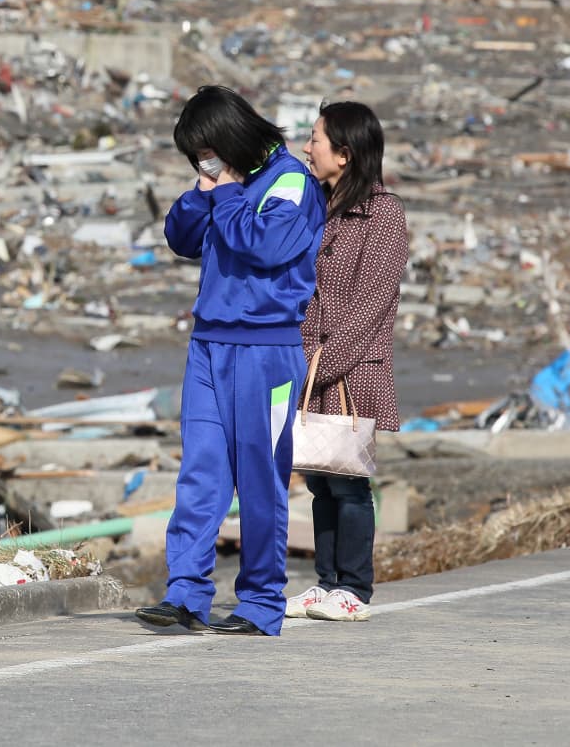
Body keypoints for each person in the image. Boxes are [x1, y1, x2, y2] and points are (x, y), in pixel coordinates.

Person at [136, 86, 326, 636]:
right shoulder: (224, 185)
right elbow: (181, 237)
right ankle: (186, 593)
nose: (202, 162)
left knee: (261, 478)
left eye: (206, 151)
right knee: (200, 472)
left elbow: (263, 246)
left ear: (230, 138)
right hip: (209, 345)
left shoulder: (289, 181)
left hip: (266, 350)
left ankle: (262, 601)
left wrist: (228, 193)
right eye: (194, 157)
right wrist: (203, 190)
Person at [287, 101, 409, 623]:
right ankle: (326, 581)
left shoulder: (382, 213)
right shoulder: (317, 205)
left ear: (346, 151)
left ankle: (354, 587)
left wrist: (322, 361)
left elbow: (373, 300)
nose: (307, 148)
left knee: (350, 478)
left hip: (352, 369)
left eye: (316, 139)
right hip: (309, 361)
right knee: (319, 477)